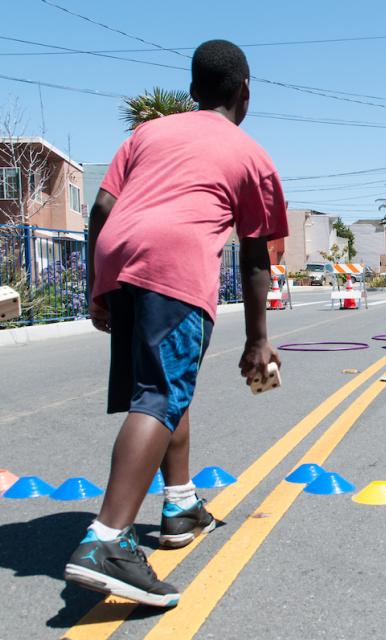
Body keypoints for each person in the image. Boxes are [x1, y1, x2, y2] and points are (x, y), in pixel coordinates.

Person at [63, 40, 288, 608]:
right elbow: (256, 255)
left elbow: (100, 210)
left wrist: (98, 286)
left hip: (120, 256)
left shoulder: (147, 134)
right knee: (160, 394)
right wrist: (259, 339)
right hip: (174, 261)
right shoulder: (251, 155)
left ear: (191, 91)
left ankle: (181, 505)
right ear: (245, 92)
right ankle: (107, 542)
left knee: (165, 385)